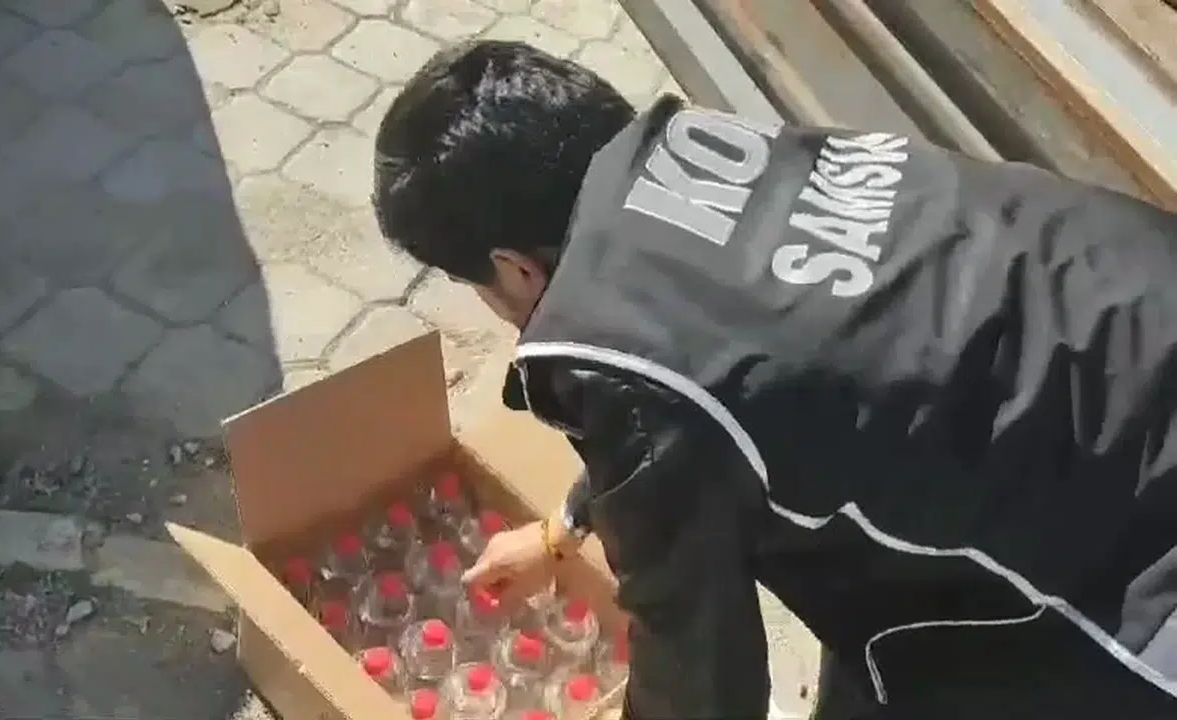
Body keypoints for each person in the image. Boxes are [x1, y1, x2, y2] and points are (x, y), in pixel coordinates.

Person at [372, 39, 1177, 719]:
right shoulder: (712, 155)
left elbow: (700, 682)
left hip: (1136, 563)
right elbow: (715, 386)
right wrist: (566, 527)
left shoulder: (632, 369)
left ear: (513, 269)